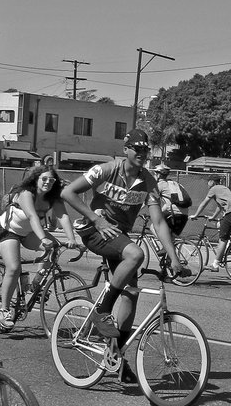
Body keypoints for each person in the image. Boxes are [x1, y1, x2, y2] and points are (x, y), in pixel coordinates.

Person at [61, 128, 188, 383]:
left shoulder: (148, 182)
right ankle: (103, 310)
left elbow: (158, 222)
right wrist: (96, 220)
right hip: (95, 230)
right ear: (125, 149)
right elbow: (67, 193)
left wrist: (174, 257)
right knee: (136, 254)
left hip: (119, 237)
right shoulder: (106, 170)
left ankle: (115, 356)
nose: (142, 153)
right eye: (137, 149)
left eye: (146, 150)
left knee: (131, 294)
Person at [0, 165, 77, 330]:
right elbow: (32, 216)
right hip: (8, 231)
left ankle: (36, 285)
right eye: (44, 179)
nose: (48, 182)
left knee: (53, 249)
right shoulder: (26, 193)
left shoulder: (52, 197)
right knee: (14, 268)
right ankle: (4, 310)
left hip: (29, 232)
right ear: (36, 179)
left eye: (52, 180)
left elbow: (63, 216)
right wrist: (43, 239)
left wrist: (72, 239)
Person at [190, 174, 231, 272]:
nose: (207, 183)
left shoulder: (214, 189)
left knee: (222, 239)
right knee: (220, 225)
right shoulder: (224, 188)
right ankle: (229, 247)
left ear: (212, 182)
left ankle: (215, 264)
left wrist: (196, 215)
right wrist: (213, 217)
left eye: (208, 181)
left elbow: (204, 203)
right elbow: (220, 206)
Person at [153, 164, 191, 236]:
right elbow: (169, 203)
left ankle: (165, 242)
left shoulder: (160, 185)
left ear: (158, 175)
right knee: (172, 239)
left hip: (173, 214)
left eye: (155, 173)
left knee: (153, 226)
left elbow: (151, 199)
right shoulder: (176, 184)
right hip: (184, 215)